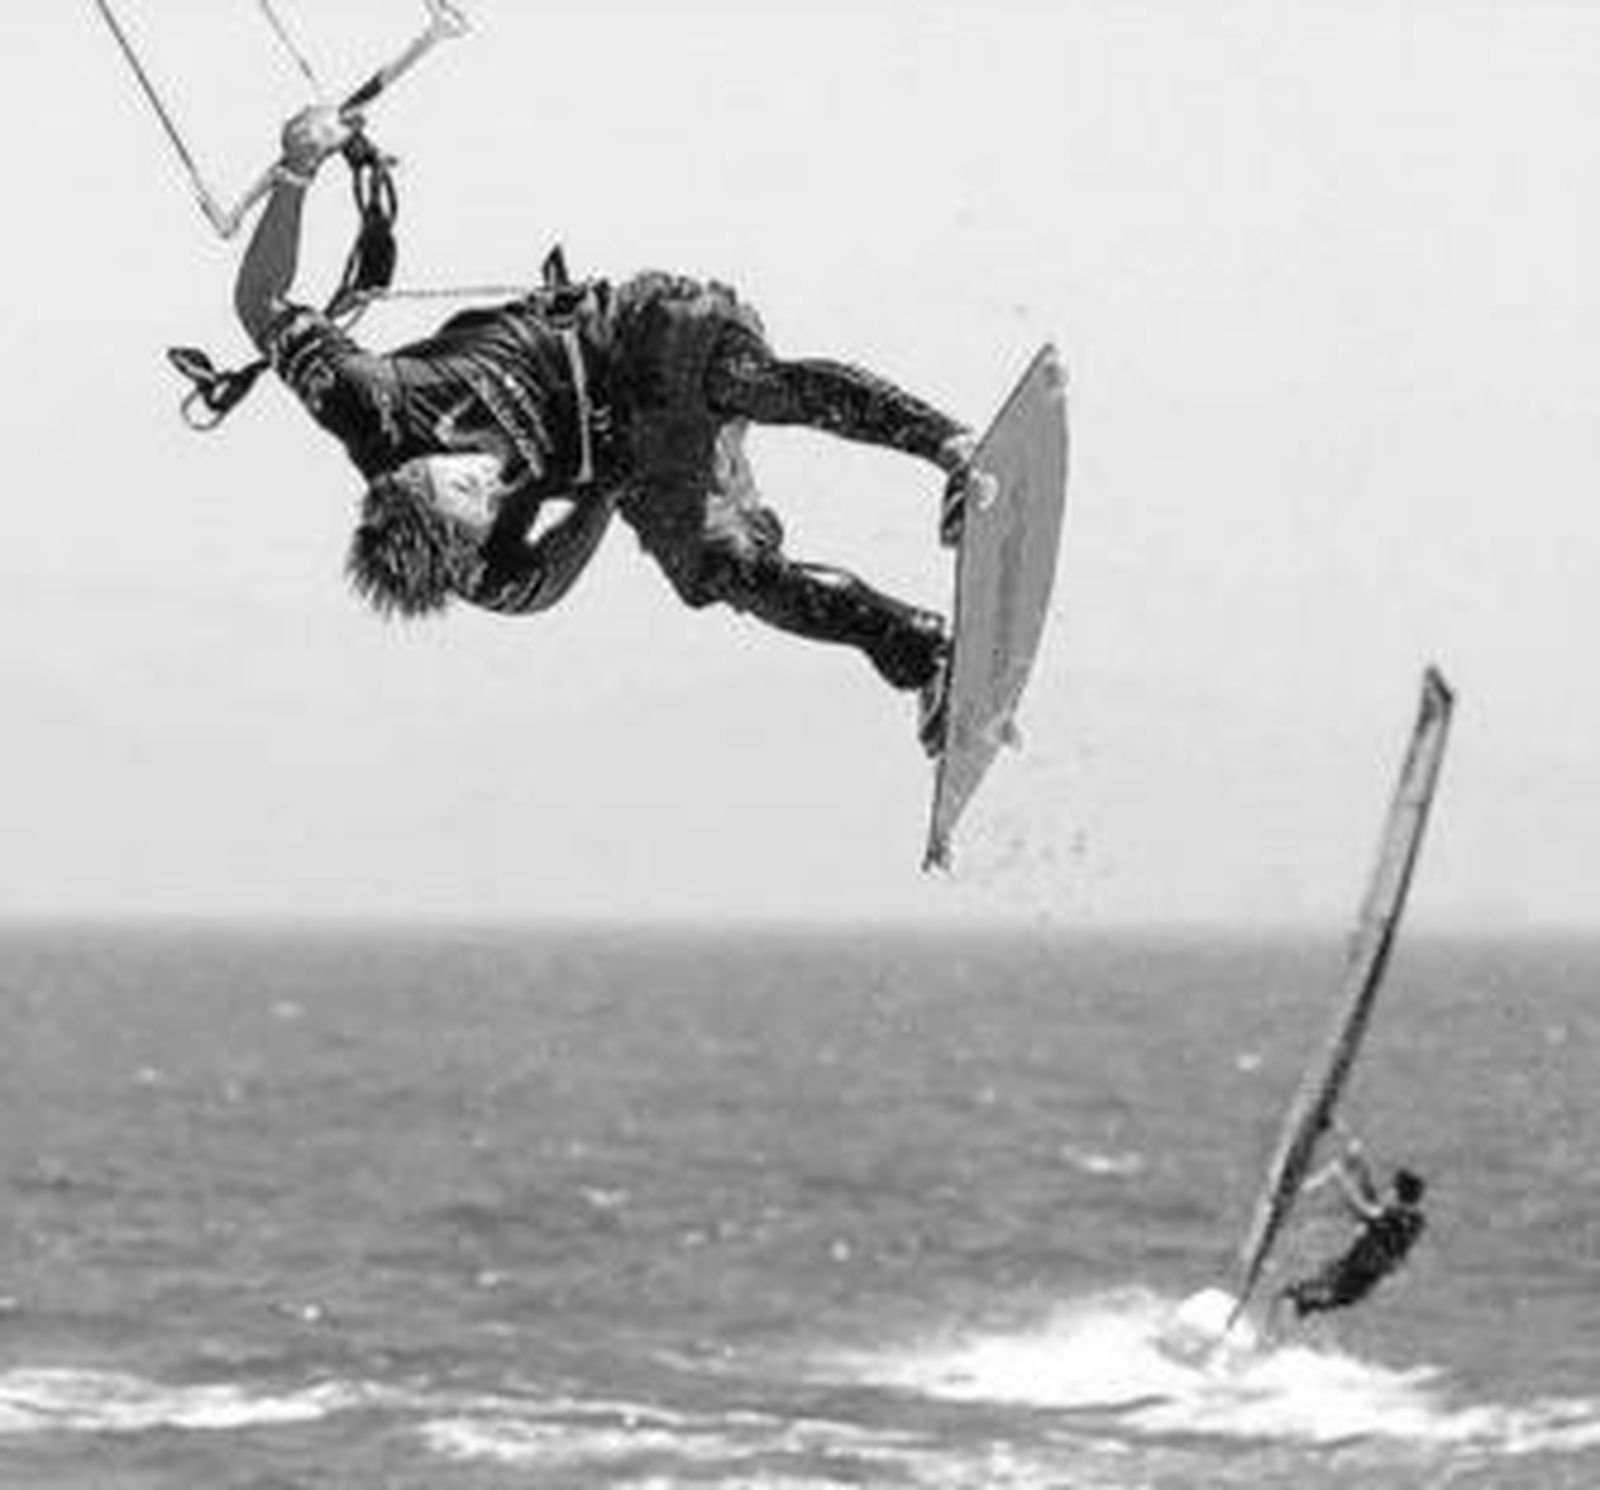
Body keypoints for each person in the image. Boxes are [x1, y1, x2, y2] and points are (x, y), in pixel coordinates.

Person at [234, 106, 988, 750]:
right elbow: (547, 582)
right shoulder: (475, 569)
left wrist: (299, 166)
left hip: (625, 340)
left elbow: (259, 302)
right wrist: (603, 497)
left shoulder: (369, 403)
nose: (487, 480)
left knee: (748, 384)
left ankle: (953, 448)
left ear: (402, 478)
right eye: (481, 505)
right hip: (637, 454)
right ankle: (924, 654)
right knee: (727, 575)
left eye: (458, 479)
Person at [1276, 1137, 1427, 1321]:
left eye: (1390, 1189)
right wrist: (1360, 1162)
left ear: (1397, 1194)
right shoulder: (1407, 1217)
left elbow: (1364, 1208)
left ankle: (1269, 1340)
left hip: (1348, 1283)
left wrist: (1339, 1176)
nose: (1386, 1191)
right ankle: (1274, 1337)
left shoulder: (1399, 1219)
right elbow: (1372, 1200)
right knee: (1297, 1296)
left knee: (1294, 1297)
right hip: (1348, 1277)